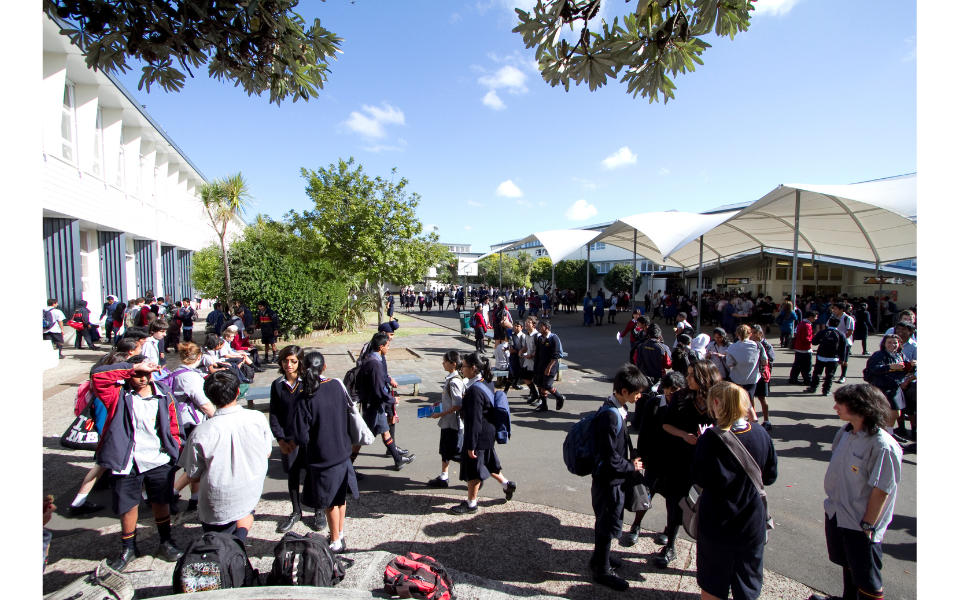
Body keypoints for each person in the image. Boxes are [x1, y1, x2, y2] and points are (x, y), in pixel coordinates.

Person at [89, 356, 184, 572]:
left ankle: (165, 541)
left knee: (160, 500)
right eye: (138, 375)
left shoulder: (162, 394)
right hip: (126, 460)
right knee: (127, 506)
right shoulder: (117, 394)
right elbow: (97, 376)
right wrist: (131, 367)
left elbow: (173, 423)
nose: (142, 379)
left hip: (157, 458)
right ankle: (128, 547)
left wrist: (175, 448)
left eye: (146, 374)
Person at [808, 385, 902, 600]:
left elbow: (882, 490)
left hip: (860, 523)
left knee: (868, 581)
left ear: (861, 407)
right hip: (838, 513)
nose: (835, 407)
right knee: (848, 565)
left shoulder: (883, 445)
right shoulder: (845, 432)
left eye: (840, 404)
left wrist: (868, 525)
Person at [693, 381, 778, 600]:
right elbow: (769, 477)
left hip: (717, 522)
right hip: (751, 522)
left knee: (713, 584)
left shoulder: (710, 438)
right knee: (748, 582)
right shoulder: (761, 434)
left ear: (717, 403)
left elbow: (699, 478)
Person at [179, 370, 272, 544]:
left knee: (217, 543)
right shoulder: (257, 418)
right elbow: (267, 452)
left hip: (218, 502)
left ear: (208, 396)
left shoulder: (202, 432)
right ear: (238, 391)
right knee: (238, 530)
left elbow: (192, 475)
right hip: (250, 491)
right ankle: (240, 538)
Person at [291, 352, 360, 553]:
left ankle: (336, 541)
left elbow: (302, 437)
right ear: (325, 367)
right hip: (342, 449)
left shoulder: (304, 396)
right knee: (340, 497)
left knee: (329, 500)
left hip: (322, 455)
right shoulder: (337, 386)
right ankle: (339, 532)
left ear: (303, 368)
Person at [588, 364, 648, 591]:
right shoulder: (611, 416)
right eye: (636, 393)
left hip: (610, 478)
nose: (639, 396)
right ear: (624, 391)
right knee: (607, 523)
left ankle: (599, 558)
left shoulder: (613, 406)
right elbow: (610, 456)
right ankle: (602, 570)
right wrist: (630, 465)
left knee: (606, 521)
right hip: (609, 480)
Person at [657, 360, 723, 568]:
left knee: (707, 507)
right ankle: (670, 546)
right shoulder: (681, 397)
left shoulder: (720, 398)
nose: (688, 378)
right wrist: (684, 435)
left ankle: (708, 551)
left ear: (705, 376)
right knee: (675, 502)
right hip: (680, 459)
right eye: (688, 374)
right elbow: (666, 424)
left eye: (692, 375)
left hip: (709, 461)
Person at [620, 370, 685, 548]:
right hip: (654, 459)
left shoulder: (684, 406)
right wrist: (639, 456)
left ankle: (668, 532)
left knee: (672, 502)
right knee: (645, 494)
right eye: (668, 389)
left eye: (675, 389)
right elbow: (644, 432)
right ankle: (635, 526)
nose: (671, 393)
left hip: (674, 463)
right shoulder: (654, 404)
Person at [451, 352, 517, 514]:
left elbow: (474, 420)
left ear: (473, 368)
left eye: (464, 365)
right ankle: (506, 484)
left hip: (479, 434)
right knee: (487, 462)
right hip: (489, 431)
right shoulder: (485, 381)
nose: (461, 368)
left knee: (474, 468)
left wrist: (471, 444)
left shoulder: (474, 391)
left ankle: (471, 504)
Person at [270, 345, 319, 532]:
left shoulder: (306, 383)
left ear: (300, 362)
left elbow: (312, 412)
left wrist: (300, 438)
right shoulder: (278, 385)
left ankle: (319, 510)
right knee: (292, 474)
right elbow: (274, 414)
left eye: (293, 361)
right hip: (288, 441)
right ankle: (296, 511)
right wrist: (281, 440)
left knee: (313, 474)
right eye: (285, 361)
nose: (288, 365)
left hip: (307, 439)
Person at [356, 332, 416, 470]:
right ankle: (346, 466)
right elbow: (378, 390)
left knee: (385, 432)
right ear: (381, 347)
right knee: (361, 437)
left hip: (374, 404)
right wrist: (392, 399)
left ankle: (398, 459)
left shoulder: (370, 358)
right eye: (387, 346)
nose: (388, 348)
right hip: (373, 405)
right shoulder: (375, 363)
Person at [169, 342, 217, 514]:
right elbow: (203, 403)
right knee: (194, 461)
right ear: (198, 358)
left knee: (193, 460)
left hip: (184, 421)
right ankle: (172, 492)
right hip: (190, 422)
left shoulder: (178, 372)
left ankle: (195, 497)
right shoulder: (189, 377)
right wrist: (218, 417)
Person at [864, 334, 915, 447]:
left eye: (895, 343)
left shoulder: (899, 354)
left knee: (895, 413)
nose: (892, 345)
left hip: (895, 387)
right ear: (884, 343)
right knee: (889, 412)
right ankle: (880, 434)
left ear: (899, 344)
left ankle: (888, 433)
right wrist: (890, 367)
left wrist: (911, 366)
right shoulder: (879, 355)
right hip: (882, 387)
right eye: (889, 342)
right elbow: (874, 369)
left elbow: (905, 370)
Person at [427, 351, 465, 488]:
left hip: (453, 424)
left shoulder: (455, 381)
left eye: (445, 361)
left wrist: (440, 413)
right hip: (447, 422)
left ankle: (474, 475)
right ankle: (443, 477)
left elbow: (457, 405)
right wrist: (438, 405)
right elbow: (449, 400)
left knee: (457, 453)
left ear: (453, 364)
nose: (443, 363)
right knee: (445, 450)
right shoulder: (451, 378)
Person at [806, 317, 846, 396]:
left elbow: (814, 342)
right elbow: (843, 348)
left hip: (821, 356)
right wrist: (842, 359)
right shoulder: (841, 334)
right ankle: (826, 390)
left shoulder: (822, 332)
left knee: (817, 373)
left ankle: (813, 387)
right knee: (830, 375)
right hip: (834, 358)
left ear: (829, 323)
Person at [747, 325, 776, 430]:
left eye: (755, 333)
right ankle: (753, 419)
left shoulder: (766, 345)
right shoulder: (751, 343)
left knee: (762, 398)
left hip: (762, 375)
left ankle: (766, 420)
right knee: (752, 397)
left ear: (760, 333)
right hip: (752, 375)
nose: (752, 335)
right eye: (751, 333)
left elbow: (770, 359)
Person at [532, 319, 565, 412]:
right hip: (541, 365)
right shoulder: (540, 338)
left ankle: (559, 397)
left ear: (546, 328)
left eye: (541, 326)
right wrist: (536, 368)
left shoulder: (553, 338)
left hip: (550, 365)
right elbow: (537, 353)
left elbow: (556, 355)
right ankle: (544, 405)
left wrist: (549, 367)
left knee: (547, 385)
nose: (539, 328)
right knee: (540, 385)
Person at [635, 324, 671, 391]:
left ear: (648, 335)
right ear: (660, 337)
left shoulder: (640, 347)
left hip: (643, 377)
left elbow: (635, 360)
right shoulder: (663, 348)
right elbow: (668, 365)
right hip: (658, 377)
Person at [789, 311, 818, 386]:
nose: (816, 318)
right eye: (815, 317)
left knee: (797, 365)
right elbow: (805, 338)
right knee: (806, 366)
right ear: (810, 317)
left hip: (799, 347)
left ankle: (793, 378)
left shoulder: (802, 323)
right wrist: (813, 339)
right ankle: (807, 380)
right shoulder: (807, 325)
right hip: (804, 348)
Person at [833, 303, 856, 384]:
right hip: (835, 341)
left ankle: (843, 376)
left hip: (845, 343)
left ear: (841, 309)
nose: (834, 310)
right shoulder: (833, 317)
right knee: (834, 358)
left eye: (835, 308)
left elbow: (850, 331)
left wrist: (842, 339)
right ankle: (832, 374)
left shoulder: (848, 318)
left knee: (844, 360)